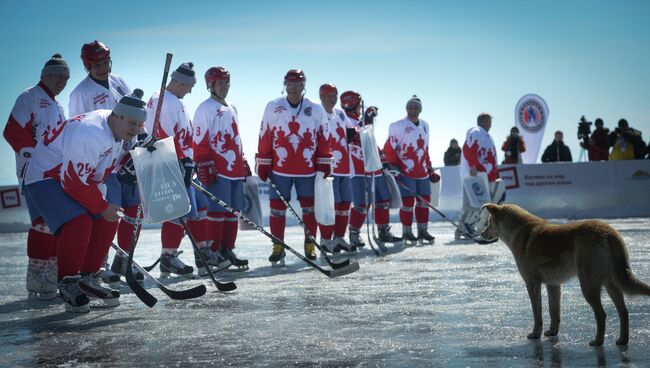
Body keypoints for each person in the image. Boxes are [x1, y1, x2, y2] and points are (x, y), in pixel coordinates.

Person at [23, 90, 147, 313]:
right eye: (132, 123)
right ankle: (68, 281)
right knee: (79, 222)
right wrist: (101, 206)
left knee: (109, 218)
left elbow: (107, 167)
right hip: (45, 177)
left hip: (75, 177)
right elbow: (72, 181)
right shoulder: (91, 132)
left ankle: (88, 276)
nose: (136, 129)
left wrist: (138, 155)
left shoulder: (119, 128)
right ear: (117, 116)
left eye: (139, 125)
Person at [68, 40, 137, 287]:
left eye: (105, 62)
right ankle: (99, 265)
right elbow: (78, 130)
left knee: (126, 211)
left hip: (125, 158)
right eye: (96, 64)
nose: (102, 67)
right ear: (87, 65)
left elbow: (134, 113)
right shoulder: (80, 93)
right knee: (105, 212)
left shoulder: (118, 81)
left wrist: (139, 141)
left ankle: (115, 260)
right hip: (101, 162)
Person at [3, 54, 69, 300]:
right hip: (34, 174)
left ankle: (49, 274)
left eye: (66, 77)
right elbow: (12, 130)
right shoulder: (30, 96)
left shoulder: (57, 105)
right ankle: (37, 277)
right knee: (43, 223)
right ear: (45, 75)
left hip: (55, 174)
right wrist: (31, 155)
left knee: (55, 224)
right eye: (58, 75)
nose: (62, 81)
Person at [136, 62, 209, 278]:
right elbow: (164, 133)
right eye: (189, 85)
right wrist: (180, 160)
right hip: (169, 161)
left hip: (182, 162)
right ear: (178, 81)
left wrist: (188, 160)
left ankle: (201, 253)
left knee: (195, 209)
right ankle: (168, 256)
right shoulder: (163, 100)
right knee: (177, 209)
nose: (191, 89)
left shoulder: (173, 100)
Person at [256, 69, 331, 266]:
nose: (294, 88)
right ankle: (278, 246)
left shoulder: (315, 107)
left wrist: (325, 160)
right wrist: (263, 161)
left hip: (307, 169)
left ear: (304, 85)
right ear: (285, 85)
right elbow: (265, 133)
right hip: (280, 169)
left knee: (309, 209)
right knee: (277, 209)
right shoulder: (273, 106)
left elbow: (324, 135)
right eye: (291, 84)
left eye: (298, 84)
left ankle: (310, 244)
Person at [194, 66, 251, 273]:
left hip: (234, 168)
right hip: (217, 169)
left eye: (227, 82)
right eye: (220, 82)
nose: (224, 86)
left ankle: (227, 250)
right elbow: (199, 139)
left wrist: (242, 160)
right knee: (217, 211)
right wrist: (203, 162)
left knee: (233, 210)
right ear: (210, 84)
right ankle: (213, 250)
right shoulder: (205, 108)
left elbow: (236, 137)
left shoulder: (232, 107)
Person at [343, 90, 401, 249]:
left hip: (373, 166)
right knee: (361, 203)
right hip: (357, 168)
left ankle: (383, 231)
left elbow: (371, 143)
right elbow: (350, 135)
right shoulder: (344, 118)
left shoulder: (361, 120)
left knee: (383, 200)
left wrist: (384, 161)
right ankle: (354, 234)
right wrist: (366, 121)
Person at [384, 95, 439, 244]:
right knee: (407, 203)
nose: (412, 110)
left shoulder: (425, 125)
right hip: (405, 170)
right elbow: (389, 147)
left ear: (420, 110)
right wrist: (393, 166)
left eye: (415, 108)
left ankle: (423, 230)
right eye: (410, 107)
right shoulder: (399, 125)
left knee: (424, 201)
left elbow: (425, 150)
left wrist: (430, 169)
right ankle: (407, 231)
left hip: (421, 172)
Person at [316, 83, 354, 254]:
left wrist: (364, 124)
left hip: (345, 167)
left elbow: (351, 130)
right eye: (329, 95)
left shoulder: (340, 113)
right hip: (328, 167)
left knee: (345, 204)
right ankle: (326, 239)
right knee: (330, 204)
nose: (332, 98)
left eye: (334, 95)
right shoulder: (318, 112)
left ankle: (339, 237)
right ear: (322, 97)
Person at [457, 113, 500, 240]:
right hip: (475, 175)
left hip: (484, 176)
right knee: (471, 203)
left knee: (481, 203)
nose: (491, 125)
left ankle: (471, 228)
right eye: (489, 122)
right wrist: (473, 165)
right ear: (484, 122)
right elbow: (468, 149)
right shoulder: (476, 132)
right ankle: (462, 229)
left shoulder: (487, 136)